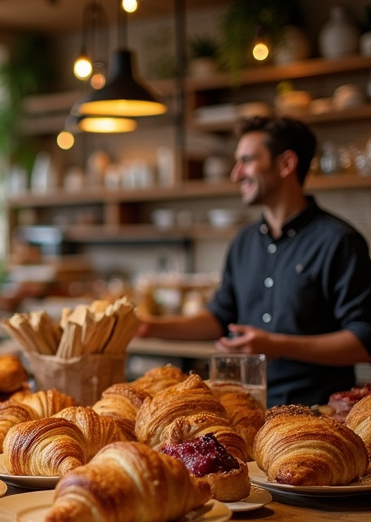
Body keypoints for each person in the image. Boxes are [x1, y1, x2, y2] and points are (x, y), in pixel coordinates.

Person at [137, 116, 371, 406]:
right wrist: (149, 326)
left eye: (246, 161)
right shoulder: (244, 241)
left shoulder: (339, 241)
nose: (236, 174)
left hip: (316, 415)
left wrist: (277, 345)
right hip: (247, 410)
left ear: (286, 164)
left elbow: (364, 341)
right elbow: (219, 318)